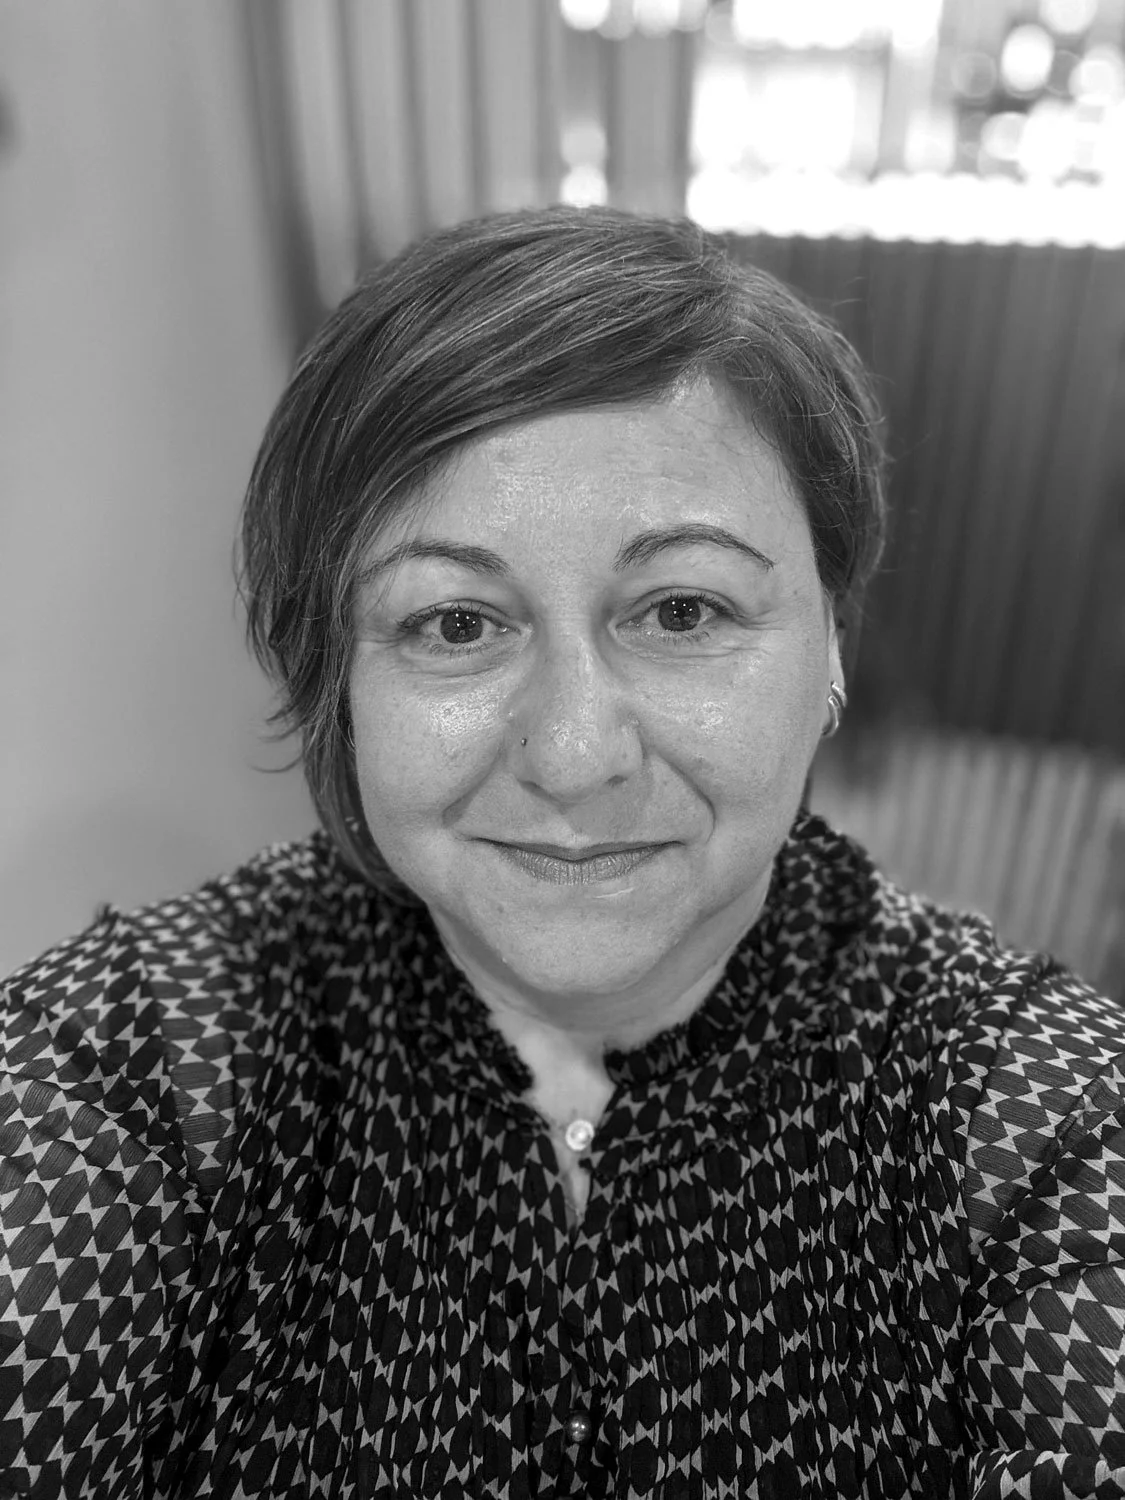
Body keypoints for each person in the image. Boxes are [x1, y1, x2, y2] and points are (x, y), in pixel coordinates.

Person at [1, 205, 1122, 1500]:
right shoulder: (152, 1061)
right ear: (339, 683)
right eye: (457, 622)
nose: (577, 753)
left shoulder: (1025, 1106)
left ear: (830, 643)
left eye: (685, 608)